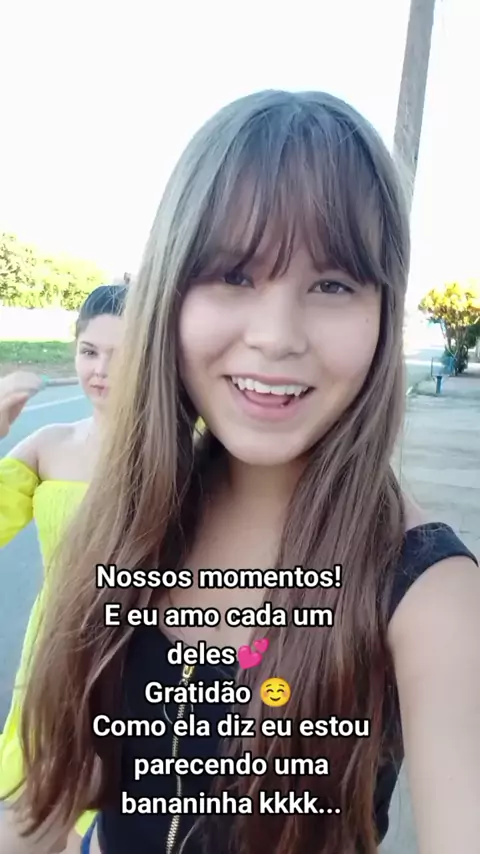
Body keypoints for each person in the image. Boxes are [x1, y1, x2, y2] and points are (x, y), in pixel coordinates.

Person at [6, 90, 480, 854]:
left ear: (384, 311)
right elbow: (51, 802)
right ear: (168, 292)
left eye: (333, 284)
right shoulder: (128, 518)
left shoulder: (429, 593)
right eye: (233, 274)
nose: (277, 336)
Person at [0, 283, 127, 846]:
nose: (100, 370)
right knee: (32, 818)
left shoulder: (195, 450)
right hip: (53, 661)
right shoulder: (48, 444)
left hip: (142, 661)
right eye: (89, 351)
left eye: (122, 354)